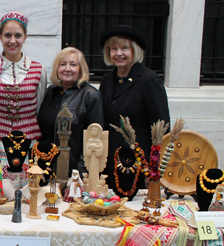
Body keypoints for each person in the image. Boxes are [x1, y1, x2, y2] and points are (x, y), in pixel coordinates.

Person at [0, 11, 47, 188]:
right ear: (0, 37)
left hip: (28, 140)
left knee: (26, 192)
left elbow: (40, 108)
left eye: (18, 35)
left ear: (25, 37)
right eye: (7, 35)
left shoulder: (38, 70)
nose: (12, 41)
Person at [99, 25, 170, 189]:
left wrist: (154, 171)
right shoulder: (107, 80)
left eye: (125, 48)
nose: (118, 53)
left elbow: (161, 127)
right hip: (110, 163)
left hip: (138, 165)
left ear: (135, 51)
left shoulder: (149, 80)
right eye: (114, 49)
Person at [37, 47, 104, 177]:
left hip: (71, 171)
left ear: (81, 69)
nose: (67, 68)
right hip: (44, 168)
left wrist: (77, 175)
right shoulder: (51, 91)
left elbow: (94, 141)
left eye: (73, 64)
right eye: (63, 64)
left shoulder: (91, 95)